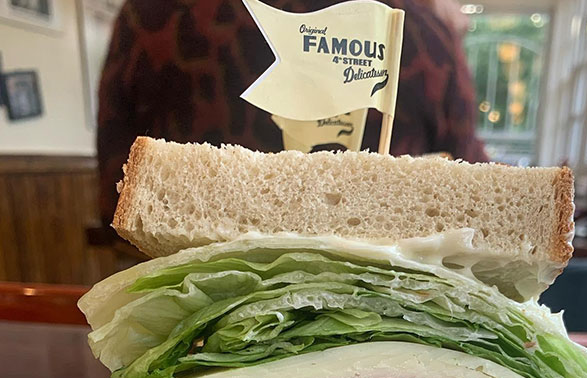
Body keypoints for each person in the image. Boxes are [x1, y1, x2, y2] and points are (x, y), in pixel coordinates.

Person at [97, 0, 488, 226]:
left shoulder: (151, 14)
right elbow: (468, 189)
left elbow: (113, 186)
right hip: (395, 312)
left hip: (189, 312)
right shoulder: (421, 30)